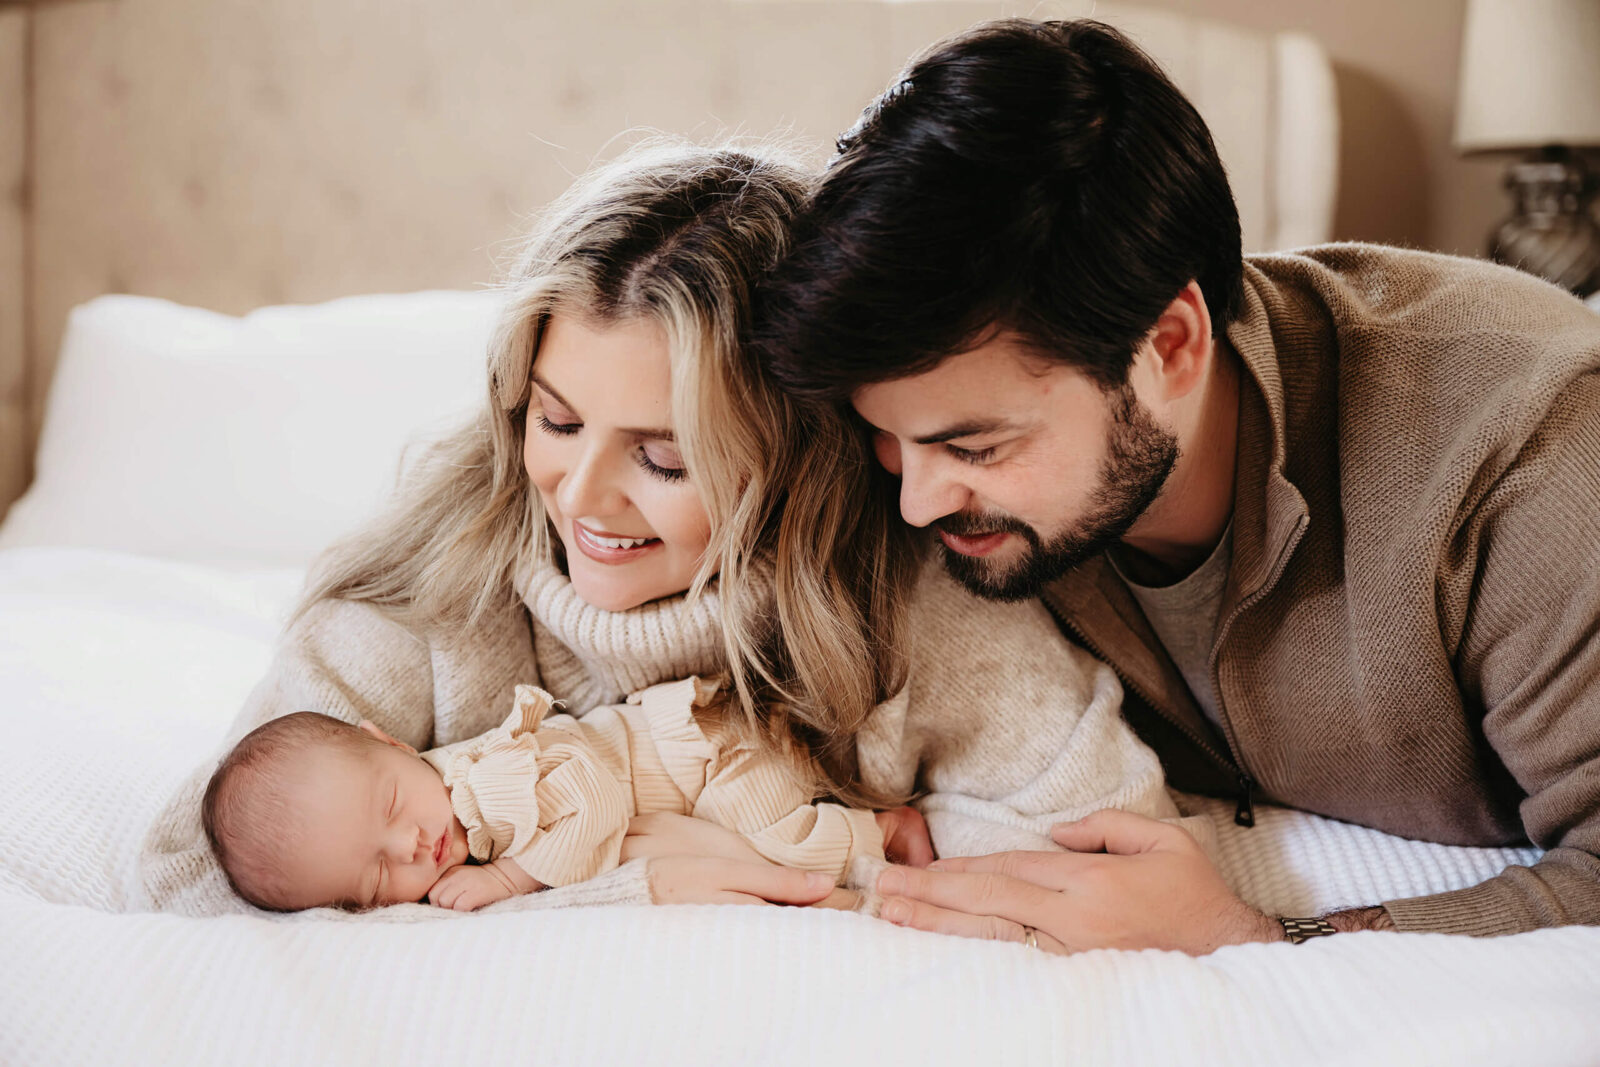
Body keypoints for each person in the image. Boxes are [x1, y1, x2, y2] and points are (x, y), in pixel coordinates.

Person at [140, 138, 1192, 918]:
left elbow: (1114, 848)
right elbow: (200, 874)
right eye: (555, 418)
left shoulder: (909, 590)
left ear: (791, 456)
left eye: (664, 456)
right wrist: (634, 878)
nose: (583, 494)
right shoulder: (434, 598)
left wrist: (825, 879)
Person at [751, 18, 1600, 952]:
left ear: (1172, 345)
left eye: (978, 447)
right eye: (886, 437)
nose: (917, 503)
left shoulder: (1532, 451)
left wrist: (1263, 937)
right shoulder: (923, 466)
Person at [203, 679, 927, 913]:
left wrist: (508, 878)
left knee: (778, 837)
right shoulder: (438, 803)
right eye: (376, 874)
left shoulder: (478, 785)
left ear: (393, 743)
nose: (411, 847)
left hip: (706, 753)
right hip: (689, 771)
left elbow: (597, 796)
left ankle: (888, 831)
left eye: (392, 807)